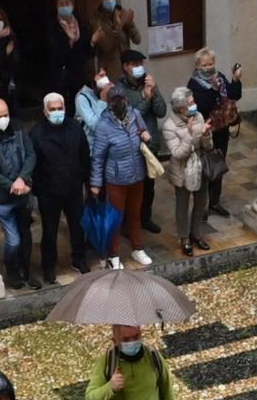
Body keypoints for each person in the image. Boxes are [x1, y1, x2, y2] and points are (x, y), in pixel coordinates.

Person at [31, 91, 92, 283]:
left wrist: (84, 178)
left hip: (73, 188)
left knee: (77, 227)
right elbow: (33, 164)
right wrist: (40, 188)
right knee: (50, 231)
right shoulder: (36, 134)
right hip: (49, 192)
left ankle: (79, 259)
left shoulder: (75, 127)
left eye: (60, 108)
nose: (57, 112)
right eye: (53, 109)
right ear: (45, 111)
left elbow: (84, 155)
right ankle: (49, 267)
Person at [87, 83, 150, 266]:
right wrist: (96, 183)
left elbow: (144, 132)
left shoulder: (135, 115)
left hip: (137, 174)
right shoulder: (104, 125)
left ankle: (138, 248)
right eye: (114, 100)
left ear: (126, 99)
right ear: (109, 103)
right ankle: (113, 255)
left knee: (135, 213)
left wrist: (146, 134)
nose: (118, 103)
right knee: (115, 218)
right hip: (116, 178)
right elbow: (98, 157)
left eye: (120, 99)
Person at [0, 99, 35, 290]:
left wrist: (22, 178)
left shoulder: (19, 129)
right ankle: (11, 270)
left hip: (24, 194)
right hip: (3, 199)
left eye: (6, 114)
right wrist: (11, 185)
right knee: (13, 239)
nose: (4, 119)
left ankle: (27, 272)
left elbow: (30, 155)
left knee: (26, 236)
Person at [186, 49, 242, 219]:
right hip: (205, 130)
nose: (208, 67)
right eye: (204, 65)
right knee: (204, 168)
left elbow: (234, 95)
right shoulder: (193, 84)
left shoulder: (220, 77)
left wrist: (235, 79)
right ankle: (201, 207)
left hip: (221, 128)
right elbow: (202, 106)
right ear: (198, 66)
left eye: (211, 63)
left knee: (218, 165)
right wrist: (214, 90)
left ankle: (215, 202)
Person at [117, 49, 166, 237]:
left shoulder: (148, 83)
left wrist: (153, 92)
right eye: (134, 64)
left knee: (149, 187)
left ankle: (145, 219)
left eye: (140, 64)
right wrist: (145, 98)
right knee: (132, 189)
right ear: (126, 67)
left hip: (151, 144)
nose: (139, 68)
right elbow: (130, 117)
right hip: (132, 146)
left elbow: (161, 111)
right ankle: (128, 224)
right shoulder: (120, 90)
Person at [161, 87, 210, 257]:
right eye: (190, 103)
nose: (193, 105)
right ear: (180, 108)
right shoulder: (169, 126)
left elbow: (207, 146)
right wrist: (190, 135)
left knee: (201, 202)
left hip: (199, 166)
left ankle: (196, 233)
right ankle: (184, 238)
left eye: (193, 101)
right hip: (181, 170)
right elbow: (177, 153)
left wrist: (206, 135)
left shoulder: (199, 116)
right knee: (182, 205)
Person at [47, 0, 94, 109]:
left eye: (66, 3)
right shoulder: (53, 26)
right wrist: (69, 42)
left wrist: (93, 41)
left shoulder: (81, 23)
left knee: (79, 104)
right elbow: (54, 52)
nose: (64, 7)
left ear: (72, 5)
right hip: (61, 73)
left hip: (79, 72)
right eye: (61, 4)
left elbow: (88, 51)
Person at [88, 0, 138, 83]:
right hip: (111, 72)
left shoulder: (122, 13)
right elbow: (106, 47)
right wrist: (119, 26)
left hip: (128, 68)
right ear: (100, 0)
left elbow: (137, 40)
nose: (110, 1)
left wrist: (130, 24)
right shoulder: (95, 19)